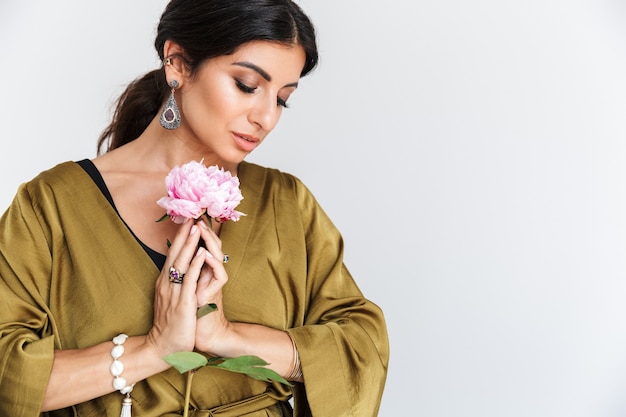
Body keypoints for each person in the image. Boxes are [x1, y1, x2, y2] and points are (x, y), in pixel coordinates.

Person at [0, 0, 389, 416]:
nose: (266, 117)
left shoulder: (286, 203)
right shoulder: (51, 206)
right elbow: (7, 374)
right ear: (178, 64)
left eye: (282, 99)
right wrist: (154, 349)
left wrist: (227, 336)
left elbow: (360, 345)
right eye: (246, 85)